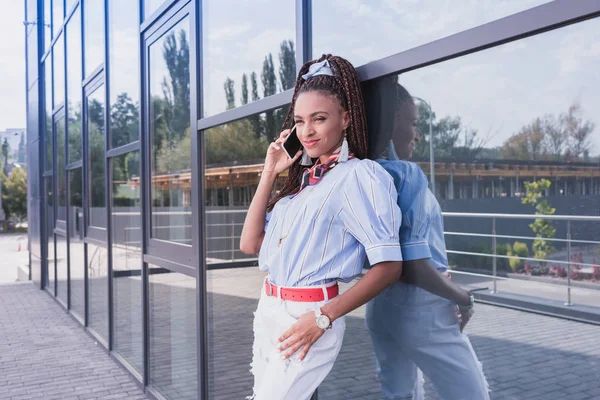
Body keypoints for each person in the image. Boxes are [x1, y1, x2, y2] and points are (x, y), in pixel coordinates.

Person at [240, 55, 405, 400]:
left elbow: (389, 265)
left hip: (309, 315)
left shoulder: (358, 176)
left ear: (345, 118)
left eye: (319, 118)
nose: (307, 131)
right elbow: (249, 243)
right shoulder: (300, 186)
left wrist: (322, 318)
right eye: (300, 121)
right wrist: (270, 172)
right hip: (269, 309)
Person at [362, 76, 490, 400]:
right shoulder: (407, 175)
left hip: (380, 305)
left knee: (399, 395)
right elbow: (414, 267)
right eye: (414, 124)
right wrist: (462, 295)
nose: (418, 135)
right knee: (473, 395)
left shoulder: (363, 172)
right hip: (422, 307)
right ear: (392, 121)